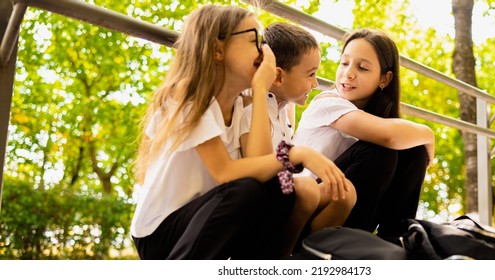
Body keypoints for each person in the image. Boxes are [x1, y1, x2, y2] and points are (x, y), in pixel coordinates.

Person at [130, 5, 348, 260]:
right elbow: (225, 172)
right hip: (161, 234)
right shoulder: (190, 96)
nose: (265, 51)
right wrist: (298, 154)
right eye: (255, 40)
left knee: (278, 190)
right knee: (244, 190)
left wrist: (259, 91)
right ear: (217, 49)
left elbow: (262, 165)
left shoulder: (240, 103)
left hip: (205, 222)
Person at [293, 28, 435, 241]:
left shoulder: (371, 116)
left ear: (384, 80)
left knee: (413, 152)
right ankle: (355, 244)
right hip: (305, 211)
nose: (348, 73)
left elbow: (393, 136)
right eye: (344, 63)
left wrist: (422, 145)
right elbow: (388, 136)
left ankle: (395, 240)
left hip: (343, 206)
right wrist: (429, 134)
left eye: (362, 67)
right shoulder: (327, 102)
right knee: (381, 151)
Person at [240, 22, 356, 256]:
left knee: (344, 192)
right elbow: (260, 165)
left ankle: (307, 259)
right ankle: (278, 260)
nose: (315, 84)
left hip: (280, 192)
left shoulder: (283, 108)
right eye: (311, 75)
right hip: (256, 202)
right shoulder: (253, 105)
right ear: (279, 77)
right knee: (307, 189)